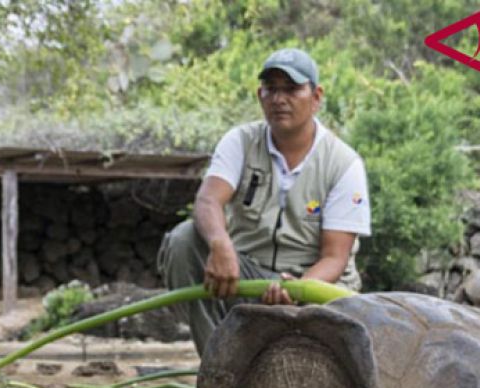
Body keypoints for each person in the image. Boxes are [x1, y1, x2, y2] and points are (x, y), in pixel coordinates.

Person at [158, 47, 372, 355]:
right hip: (247, 279)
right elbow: (207, 200)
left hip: (314, 287)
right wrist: (221, 246)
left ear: (316, 96)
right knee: (183, 240)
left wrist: (297, 288)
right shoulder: (240, 141)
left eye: (292, 88)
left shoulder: (343, 163)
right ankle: (219, 366)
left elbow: (334, 258)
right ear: (260, 95)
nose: (279, 98)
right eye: (271, 89)